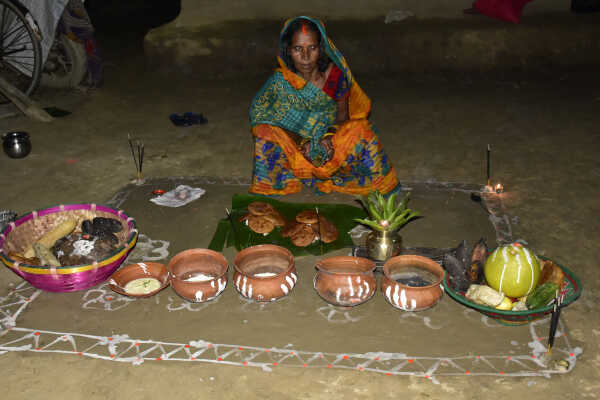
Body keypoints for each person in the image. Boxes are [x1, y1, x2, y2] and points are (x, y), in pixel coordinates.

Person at [249, 16, 400, 196]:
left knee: (361, 129)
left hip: (330, 148)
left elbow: (342, 118)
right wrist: (302, 142)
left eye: (312, 48)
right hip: (296, 149)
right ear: (288, 50)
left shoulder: (335, 77)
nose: (305, 57)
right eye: (298, 49)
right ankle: (285, 178)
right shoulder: (279, 83)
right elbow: (263, 115)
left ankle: (343, 177)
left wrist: (328, 137)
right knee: (264, 130)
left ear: (321, 49)